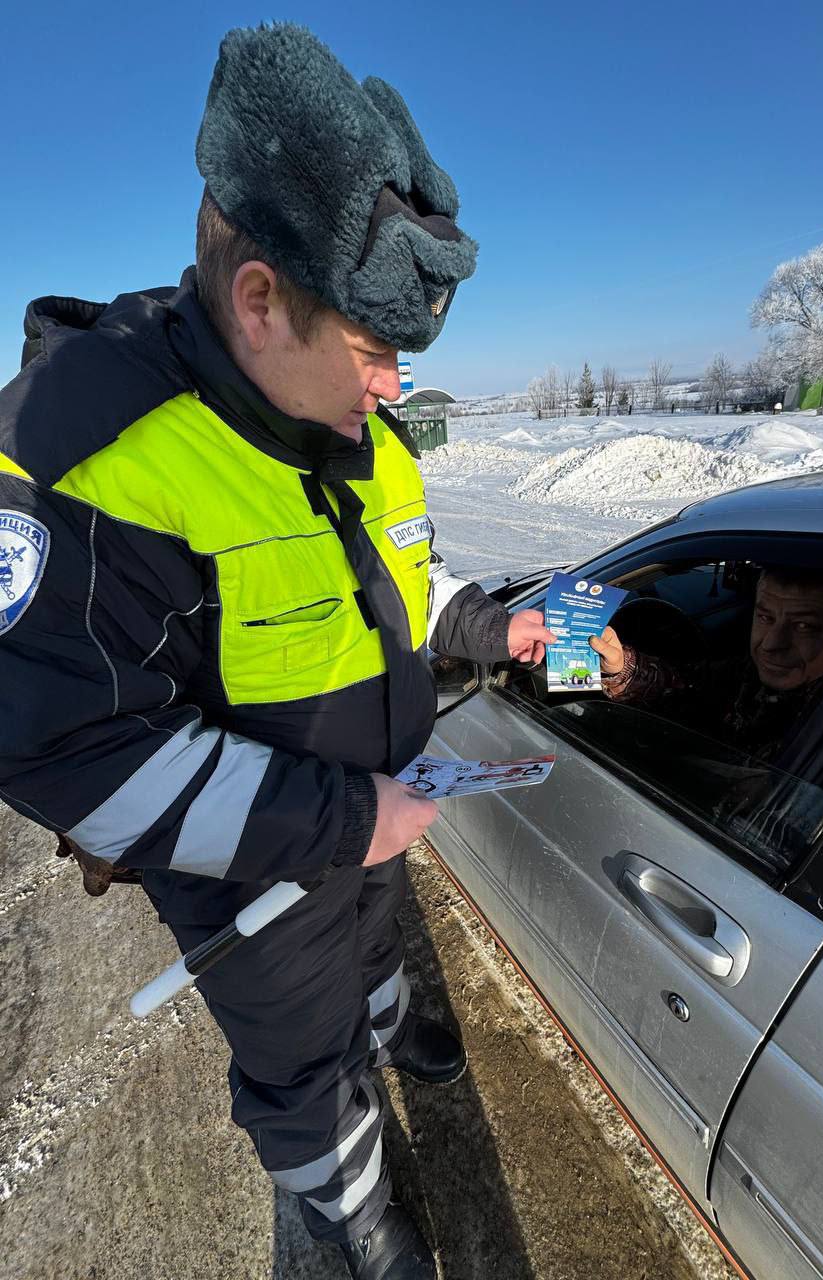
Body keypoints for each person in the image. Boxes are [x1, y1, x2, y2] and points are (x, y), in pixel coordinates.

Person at [0, 25, 553, 1280]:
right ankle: (344, 1205)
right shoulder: (88, 458)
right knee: (302, 1064)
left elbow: (402, 580)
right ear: (260, 300)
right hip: (254, 871)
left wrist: (485, 624)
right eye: (373, 346)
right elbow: (63, 746)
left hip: (373, 826)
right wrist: (347, 815)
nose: (395, 383)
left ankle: (387, 1016)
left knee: (371, 961)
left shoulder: (358, 422)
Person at [590, 565, 823, 764]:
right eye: (765, 618)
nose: (771, 644)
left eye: (804, 626)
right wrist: (622, 666)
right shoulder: (747, 675)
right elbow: (687, 686)